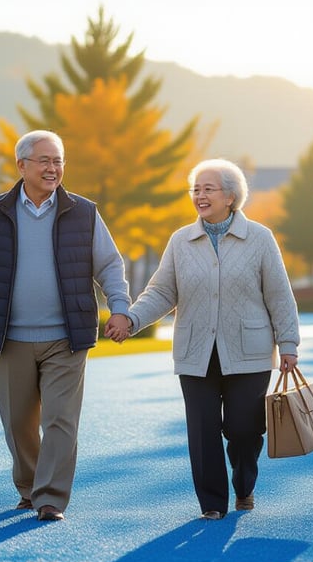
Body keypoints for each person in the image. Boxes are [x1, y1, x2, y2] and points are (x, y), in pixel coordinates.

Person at [108, 158, 300, 521]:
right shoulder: (181, 241)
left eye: (208, 189)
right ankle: (212, 503)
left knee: (244, 429)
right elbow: (162, 292)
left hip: (249, 352)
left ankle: (244, 483)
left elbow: (279, 295)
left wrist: (288, 343)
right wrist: (132, 319)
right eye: (195, 189)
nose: (200, 195)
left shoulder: (260, 238)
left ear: (230, 196)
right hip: (196, 352)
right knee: (202, 430)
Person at [0, 130, 132, 522]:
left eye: (58, 161)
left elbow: (109, 265)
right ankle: (30, 485)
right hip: (10, 337)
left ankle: (50, 496)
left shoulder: (84, 212)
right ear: (22, 166)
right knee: (18, 423)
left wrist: (120, 308)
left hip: (66, 338)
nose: (53, 168)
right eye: (45, 161)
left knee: (60, 420)